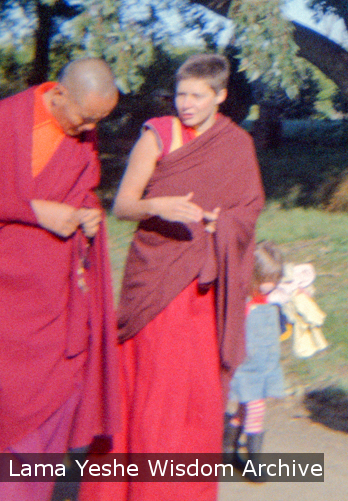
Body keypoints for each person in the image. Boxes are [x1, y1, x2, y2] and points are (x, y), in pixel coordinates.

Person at [91, 54, 264, 501]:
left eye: (196, 96)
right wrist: (156, 206)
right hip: (157, 280)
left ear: (220, 96)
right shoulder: (158, 134)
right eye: (180, 94)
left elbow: (249, 212)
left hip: (204, 286)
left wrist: (222, 224)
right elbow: (122, 205)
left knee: (195, 392)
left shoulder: (236, 144)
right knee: (154, 384)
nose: (185, 104)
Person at [0, 59, 121, 501]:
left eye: (98, 120)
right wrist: (36, 212)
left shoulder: (81, 132)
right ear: (58, 94)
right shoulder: (6, 120)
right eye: (85, 117)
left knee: (58, 390)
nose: (89, 129)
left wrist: (87, 215)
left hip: (56, 292)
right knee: (8, 403)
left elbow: (82, 189)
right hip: (4, 294)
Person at [224, 241, 287, 471]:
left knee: (245, 408)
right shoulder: (245, 302)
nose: (271, 285)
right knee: (256, 408)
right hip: (247, 366)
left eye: (275, 279)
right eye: (266, 279)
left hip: (266, 364)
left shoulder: (272, 300)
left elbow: (280, 328)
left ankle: (227, 448)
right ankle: (253, 461)